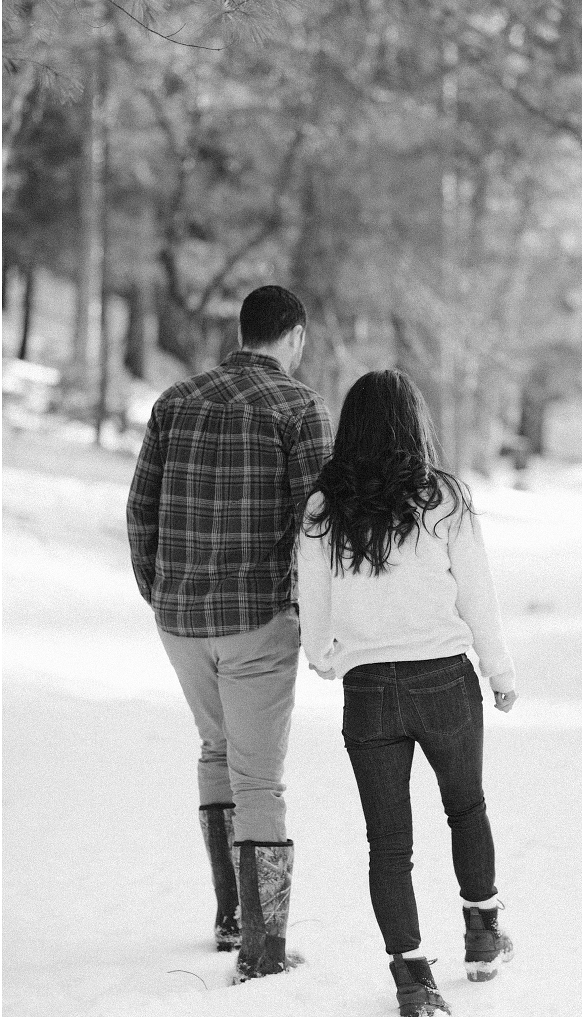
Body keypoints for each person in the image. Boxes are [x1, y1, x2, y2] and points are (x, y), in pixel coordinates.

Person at [126, 285, 333, 982]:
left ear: (243, 331)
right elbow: (318, 524)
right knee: (260, 779)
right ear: (294, 336)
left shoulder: (175, 401)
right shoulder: (299, 408)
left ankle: (231, 917)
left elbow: (139, 509)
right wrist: (315, 615)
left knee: (216, 748)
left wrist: (160, 592)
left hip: (180, 619)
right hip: (258, 620)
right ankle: (262, 949)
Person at [297, 370, 517, 1018]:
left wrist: (324, 656)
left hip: (369, 690)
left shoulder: (324, 507)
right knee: (466, 808)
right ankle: (482, 934)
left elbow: (314, 601)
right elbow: (477, 594)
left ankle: (413, 978)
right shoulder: (443, 498)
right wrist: (500, 672)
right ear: (413, 424)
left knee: (389, 844)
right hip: (444, 679)